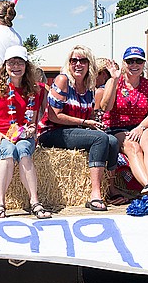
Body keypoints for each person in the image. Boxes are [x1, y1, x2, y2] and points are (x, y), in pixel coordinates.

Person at [37, 45, 118, 211]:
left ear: (89, 65)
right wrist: (85, 123)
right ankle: (95, 194)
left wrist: (114, 79)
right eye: (74, 60)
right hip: (51, 131)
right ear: (69, 63)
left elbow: (101, 109)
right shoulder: (63, 80)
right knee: (100, 138)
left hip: (74, 130)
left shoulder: (89, 88)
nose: (78, 64)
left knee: (113, 141)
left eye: (83, 60)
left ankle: (111, 188)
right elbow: (54, 116)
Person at [0, 45, 52, 219]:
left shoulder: (36, 89)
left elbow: (42, 116)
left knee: (23, 150)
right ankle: (0, 203)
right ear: (5, 65)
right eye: (11, 63)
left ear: (26, 66)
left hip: (23, 136)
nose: (15, 67)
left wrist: (34, 129)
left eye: (20, 63)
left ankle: (35, 201)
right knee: (8, 151)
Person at [96, 46, 148, 197]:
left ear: (143, 64)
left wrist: (140, 128)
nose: (134, 65)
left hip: (143, 125)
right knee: (132, 146)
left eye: (138, 61)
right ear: (124, 63)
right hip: (117, 127)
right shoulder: (113, 82)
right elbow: (106, 107)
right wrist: (114, 80)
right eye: (130, 61)